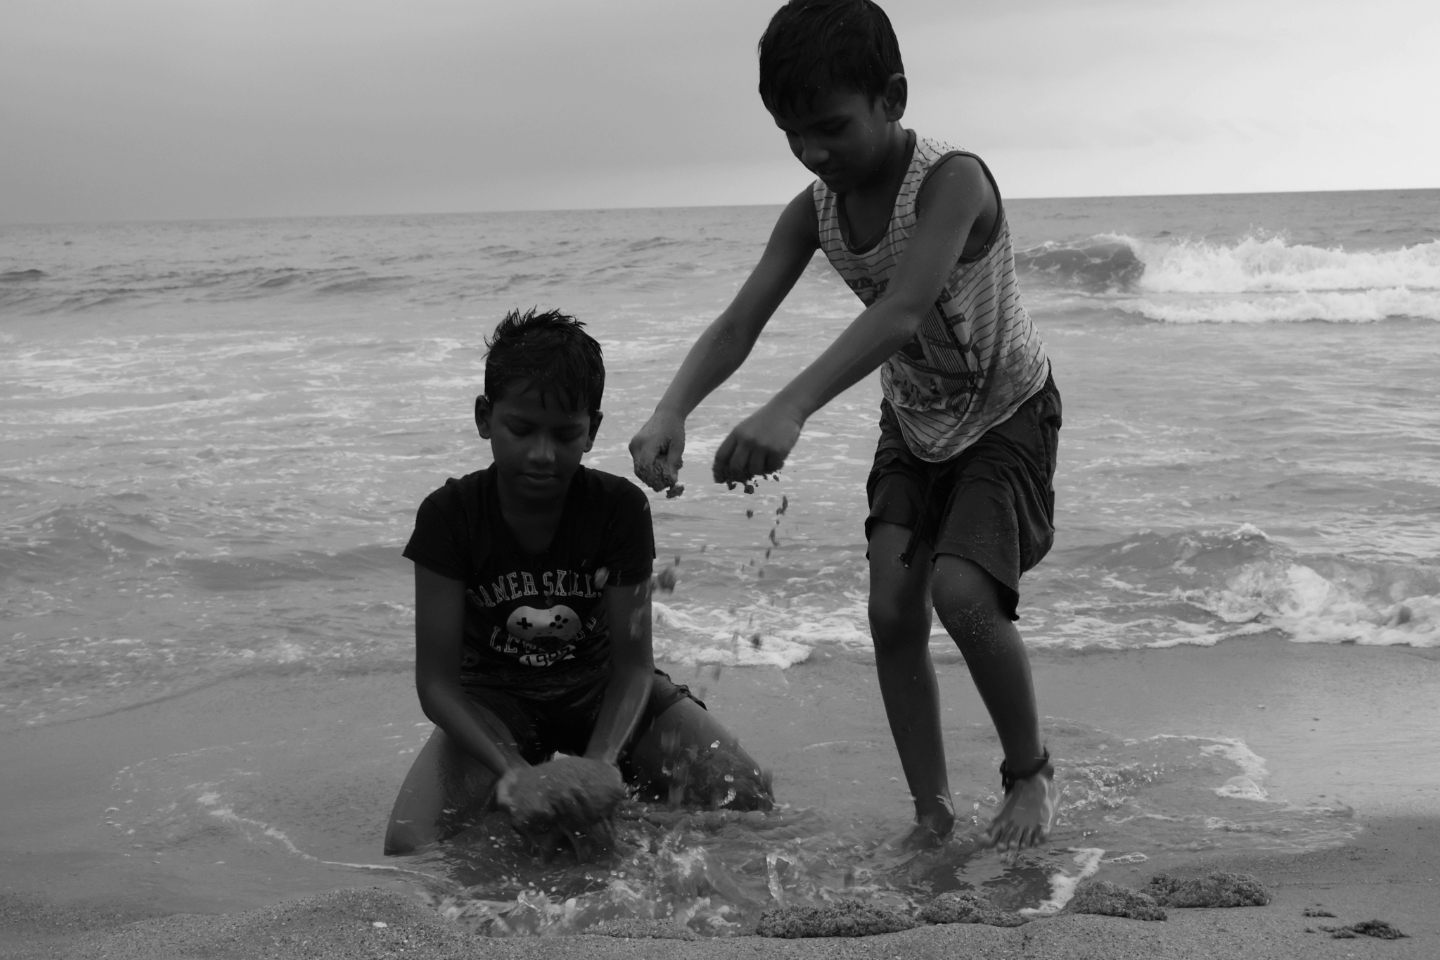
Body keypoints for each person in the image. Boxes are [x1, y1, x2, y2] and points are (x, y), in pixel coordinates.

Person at [629, 0, 1061, 852]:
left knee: (963, 595)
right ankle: (931, 811)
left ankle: (1029, 772)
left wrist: (790, 406)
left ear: (892, 96)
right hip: (914, 424)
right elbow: (738, 323)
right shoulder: (814, 211)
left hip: (1007, 415)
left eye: (830, 128)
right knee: (892, 610)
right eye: (793, 136)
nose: (814, 154)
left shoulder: (952, 181)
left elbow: (902, 312)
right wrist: (673, 406)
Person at [385, 308, 771, 856]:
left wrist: (599, 766)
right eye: (521, 429)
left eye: (565, 434)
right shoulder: (450, 516)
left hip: (601, 691)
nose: (542, 454)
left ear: (592, 430)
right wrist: (515, 773)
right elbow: (439, 687)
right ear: (484, 417)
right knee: (410, 845)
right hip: (497, 703)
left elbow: (633, 669)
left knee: (746, 795)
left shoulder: (618, 509)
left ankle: (637, 822)